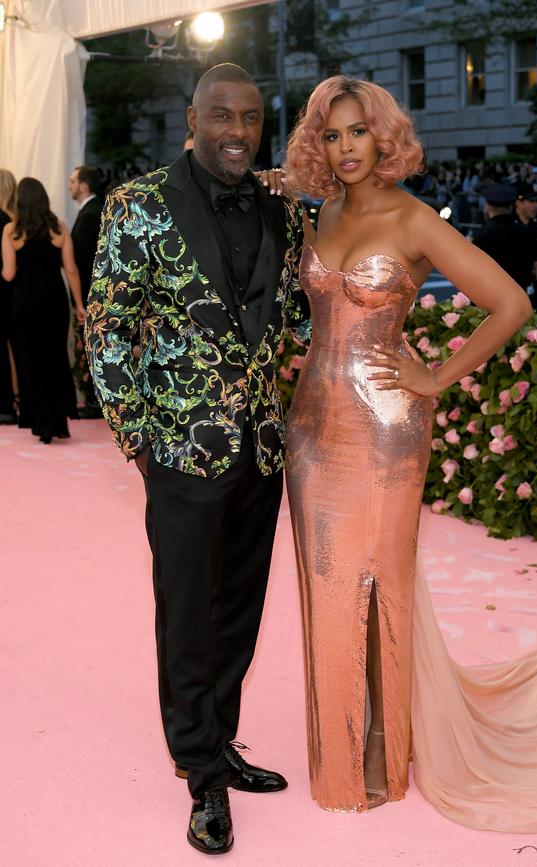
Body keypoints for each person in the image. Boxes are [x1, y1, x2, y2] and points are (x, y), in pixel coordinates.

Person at [283, 75, 537, 832]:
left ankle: (380, 759)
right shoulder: (320, 213)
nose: (346, 148)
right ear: (318, 143)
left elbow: (510, 302)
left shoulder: (413, 219)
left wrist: (434, 376)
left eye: (358, 132)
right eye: (332, 134)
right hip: (312, 430)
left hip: (385, 429)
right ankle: (337, 760)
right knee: (324, 589)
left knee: (379, 587)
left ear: (383, 137)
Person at [85, 63, 310, 856]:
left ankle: (221, 741)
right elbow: (107, 330)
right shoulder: (139, 204)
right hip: (178, 450)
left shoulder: (282, 208)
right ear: (192, 116)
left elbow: (294, 319)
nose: (238, 132)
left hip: (260, 449)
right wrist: (139, 440)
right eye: (222, 115)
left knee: (238, 609)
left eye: (250, 118)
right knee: (187, 615)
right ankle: (198, 769)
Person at [1, 178, 84, 443]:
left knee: (31, 362)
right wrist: (79, 304)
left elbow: (9, 273)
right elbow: (70, 269)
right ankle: (57, 421)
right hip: (54, 301)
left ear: (19, 202)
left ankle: (41, 422)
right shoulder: (58, 227)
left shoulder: (11, 231)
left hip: (24, 303)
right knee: (55, 358)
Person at [473, 182, 537, 310]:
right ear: (511, 206)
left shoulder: (482, 235)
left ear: (488, 206)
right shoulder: (528, 232)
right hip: (521, 294)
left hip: (491, 296)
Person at [69, 164, 104, 418]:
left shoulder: (91, 214)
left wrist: (83, 301)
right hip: (89, 296)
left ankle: (95, 402)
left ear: (83, 186)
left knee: (94, 348)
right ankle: (93, 400)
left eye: (72, 181)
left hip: (91, 296)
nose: (69, 186)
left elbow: (87, 261)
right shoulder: (90, 211)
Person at [0, 169, 18, 424]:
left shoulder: (6, 220)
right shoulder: (18, 217)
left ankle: (7, 403)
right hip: (15, 290)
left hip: (7, 287)